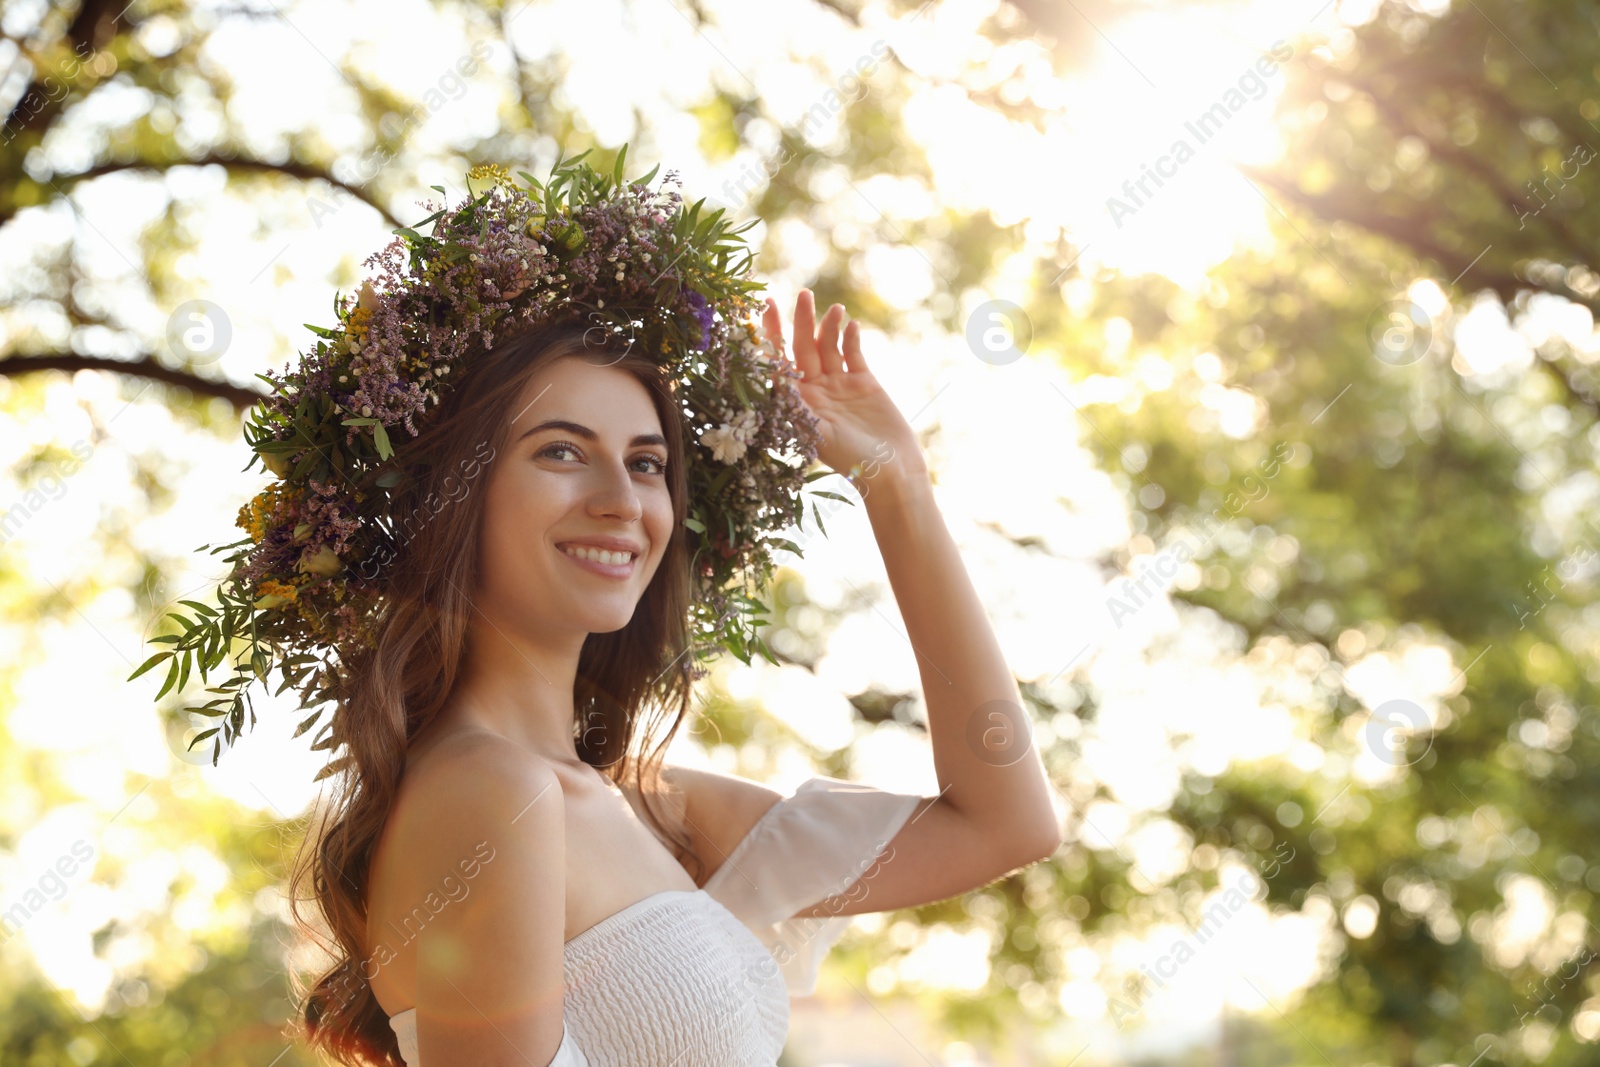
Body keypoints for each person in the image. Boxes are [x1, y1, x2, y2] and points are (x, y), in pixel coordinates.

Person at [140, 152, 1061, 1066]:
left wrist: (896, 486)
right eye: (561, 451)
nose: (624, 497)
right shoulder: (488, 793)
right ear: (455, 497)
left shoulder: (654, 808)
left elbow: (1004, 822)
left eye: (649, 461)